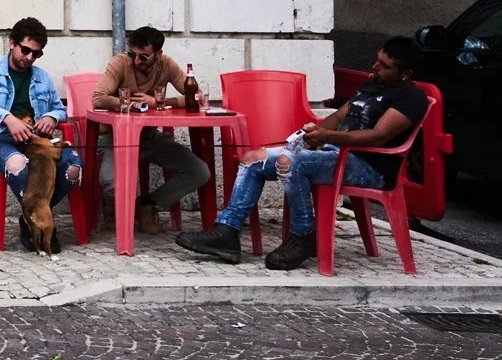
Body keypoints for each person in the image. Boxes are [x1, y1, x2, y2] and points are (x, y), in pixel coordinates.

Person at [178, 37, 429, 270]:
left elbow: (378, 135)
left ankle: (304, 236)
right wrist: (313, 134)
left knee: (291, 163)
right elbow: (342, 115)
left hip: (368, 167)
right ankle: (227, 232)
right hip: (334, 153)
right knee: (253, 159)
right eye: (377, 60)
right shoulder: (373, 83)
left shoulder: (411, 98)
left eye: (384, 66)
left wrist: (329, 137)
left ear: (405, 74)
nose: (375, 67)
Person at [0, 16, 83, 249]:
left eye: (36, 54)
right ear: (12, 43)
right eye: (25, 50)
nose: (29, 58)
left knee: (74, 167)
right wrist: (9, 119)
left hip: (36, 140)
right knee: (17, 164)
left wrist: (51, 117)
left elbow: (60, 109)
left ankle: (32, 218)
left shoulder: (42, 78)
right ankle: (39, 222)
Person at [92, 25, 213, 235]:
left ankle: (148, 204)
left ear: (158, 54)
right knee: (111, 182)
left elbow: (197, 97)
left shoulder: (166, 64)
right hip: (116, 136)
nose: (137, 61)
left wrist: (160, 102)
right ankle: (116, 210)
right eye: (134, 55)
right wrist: (132, 103)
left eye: (144, 57)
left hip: (149, 137)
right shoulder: (120, 62)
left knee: (199, 172)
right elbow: (98, 98)